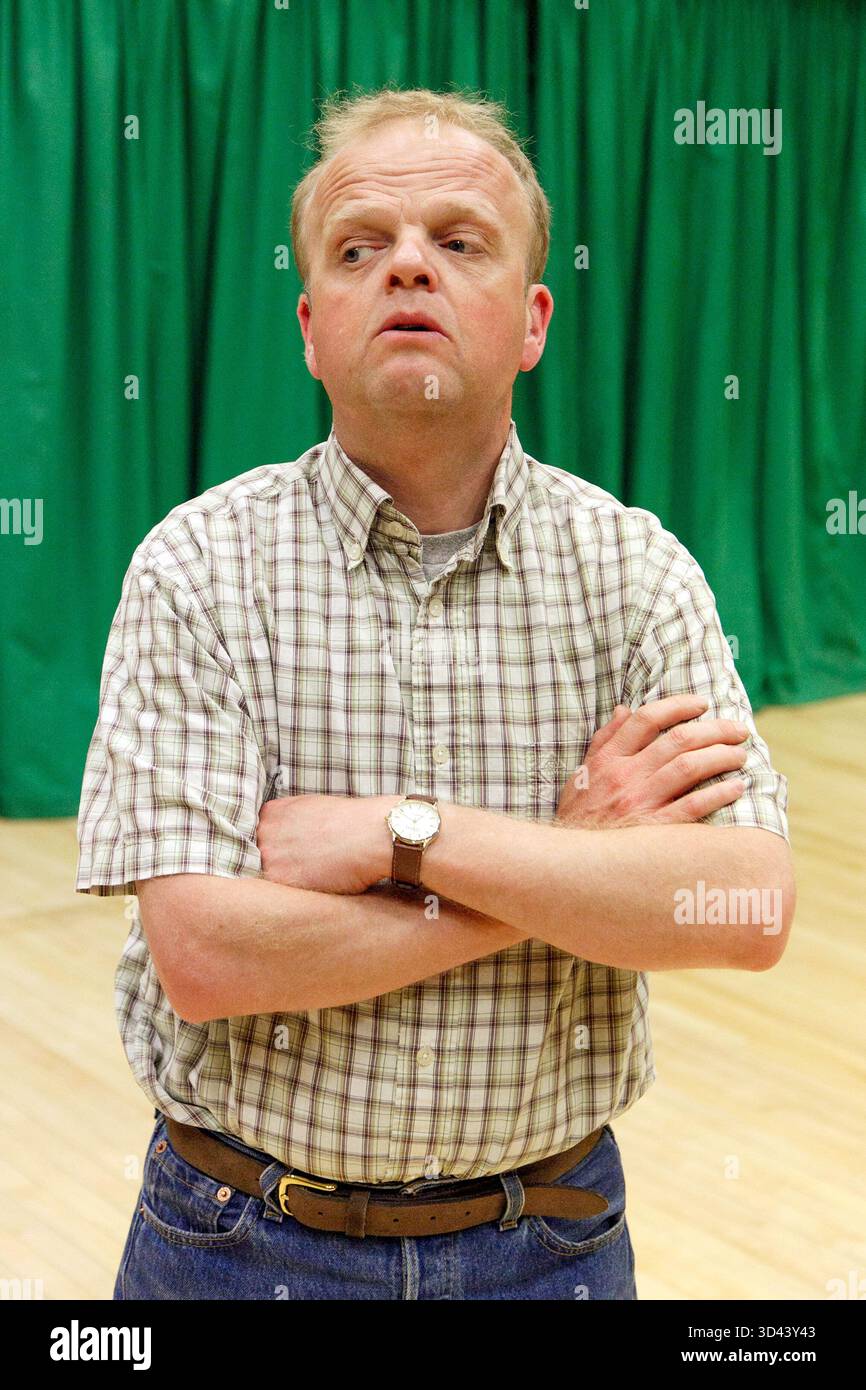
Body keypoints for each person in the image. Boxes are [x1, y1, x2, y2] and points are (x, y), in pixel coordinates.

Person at [76, 87, 795, 1301]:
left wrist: (398, 837)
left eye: (458, 242)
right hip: (235, 1245)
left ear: (532, 320)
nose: (408, 265)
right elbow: (204, 954)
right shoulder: (196, 567)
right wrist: (571, 861)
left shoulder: (635, 572)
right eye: (361, 248)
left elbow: (741, 905)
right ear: (310, 327)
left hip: (550, 1249)